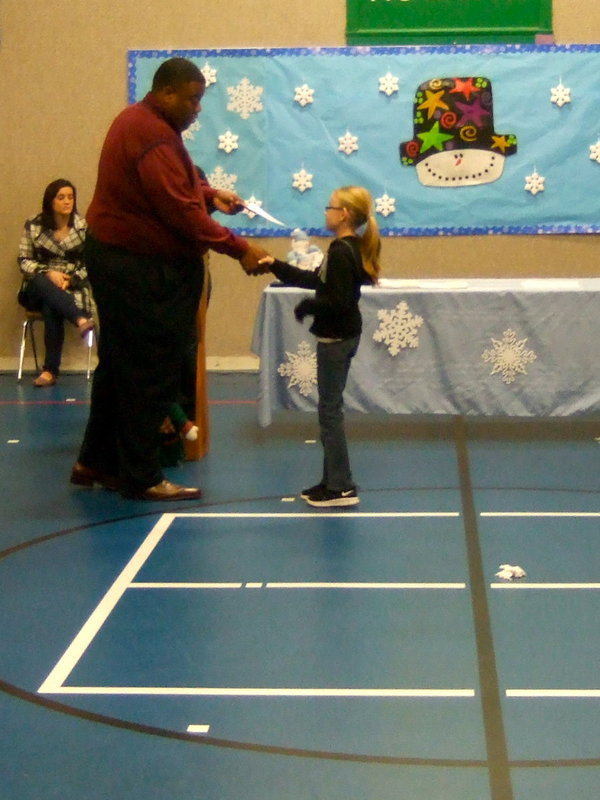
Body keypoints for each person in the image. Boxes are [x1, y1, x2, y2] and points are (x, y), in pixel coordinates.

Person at [70, 57, 268, 501]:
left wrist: (209, 194)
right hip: (138, 268)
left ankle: (96, 462)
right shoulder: (154, 135)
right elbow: (179, 211)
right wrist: (240, 248)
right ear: (166, 93)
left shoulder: (140, 124)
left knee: (120, 365)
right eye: (192, 98)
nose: (198, 108)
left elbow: (171, 191)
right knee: (149, 370)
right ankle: (141, 476)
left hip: (118, 258)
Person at [259, 186, 381, 507]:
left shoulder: (342, 252)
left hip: (336, 339)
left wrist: (307, 308)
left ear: (343, 215)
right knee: (329, 410)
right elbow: (317, 280)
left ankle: (341, 486)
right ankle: (331, 480)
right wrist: (276, 265)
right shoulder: (342, 248)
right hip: (340, 336)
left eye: (330, 207)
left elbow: (337, 300)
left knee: (330, 413)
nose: (325, 211)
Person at [18, 179, 95, 387]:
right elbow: (24, 260)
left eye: (70, 197)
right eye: (61, 197)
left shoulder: (82, 227)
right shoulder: (34, 224)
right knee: (43, 286)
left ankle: (50, 371)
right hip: (37, 284)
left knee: (51, 305)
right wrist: (48, 272)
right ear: (50, 201)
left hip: (70, 286)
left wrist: (70, 279)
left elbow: (91, 262)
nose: (67, 202)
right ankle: (80, 320)